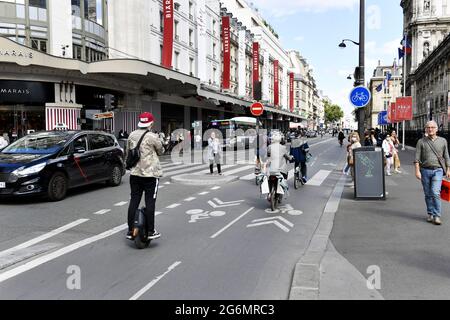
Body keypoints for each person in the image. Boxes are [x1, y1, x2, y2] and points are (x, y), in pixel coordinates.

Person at [126, 112, 164, 240]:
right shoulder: (153, 136)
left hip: (135, 174)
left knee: (134, 201)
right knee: (150, 202)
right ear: (151, 123)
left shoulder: (131, 135)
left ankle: (130, 230)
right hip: (150, 175)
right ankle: (151, 231)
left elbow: (128, 151)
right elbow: (161, 151)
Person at [415, 121, 450, 226]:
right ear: (426, 129)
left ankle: (437, 215)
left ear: (436, 129)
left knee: (435, 192)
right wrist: (417, 170)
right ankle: (430, 213)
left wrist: (448, 169)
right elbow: (417, 158)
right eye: (428, 127)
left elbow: (447, 156)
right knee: (428, 194)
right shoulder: (421, 142)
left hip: (438, 170)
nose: (430, 129)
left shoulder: (443, 141)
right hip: (425, 170)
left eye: (432, 127)